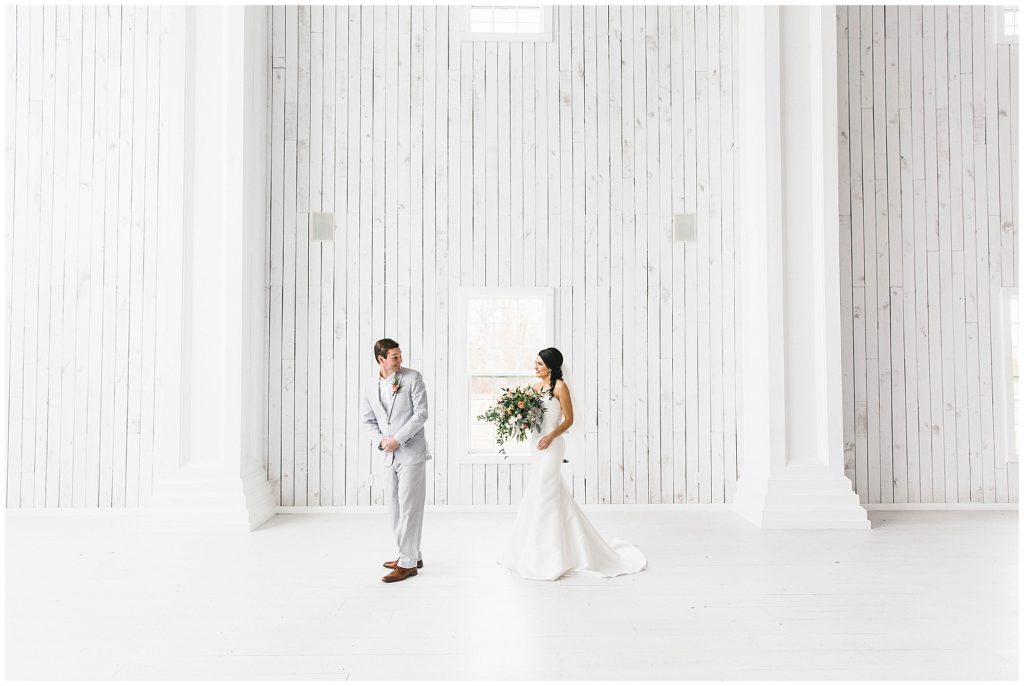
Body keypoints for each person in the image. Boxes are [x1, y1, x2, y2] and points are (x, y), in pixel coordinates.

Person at [499, 347, 647, 580]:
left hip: (552, 444)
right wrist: (524, 424)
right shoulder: (534, 388)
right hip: (536, 445)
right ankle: (539, 549)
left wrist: (550, 436)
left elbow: (569, 419)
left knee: (546, 492)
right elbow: (532, 417)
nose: (535, 367)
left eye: (539, 364)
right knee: (542, 491)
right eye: (535, 363)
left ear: (550, 366)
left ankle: (550, 556)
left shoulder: (560, 387)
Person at [359, 338, 431, 583]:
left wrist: (397, 439)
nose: (401, 360)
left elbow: (422, 413)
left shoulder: (412, 378)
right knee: (394, 507)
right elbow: (368, 420)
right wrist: (380, 440)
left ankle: (408, 563)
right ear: (381, 360)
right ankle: (411, 554)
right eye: (395, 357)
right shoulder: (370, 385)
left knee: (410, 507)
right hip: (388, 454)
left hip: (412, 452)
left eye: (400, 355)